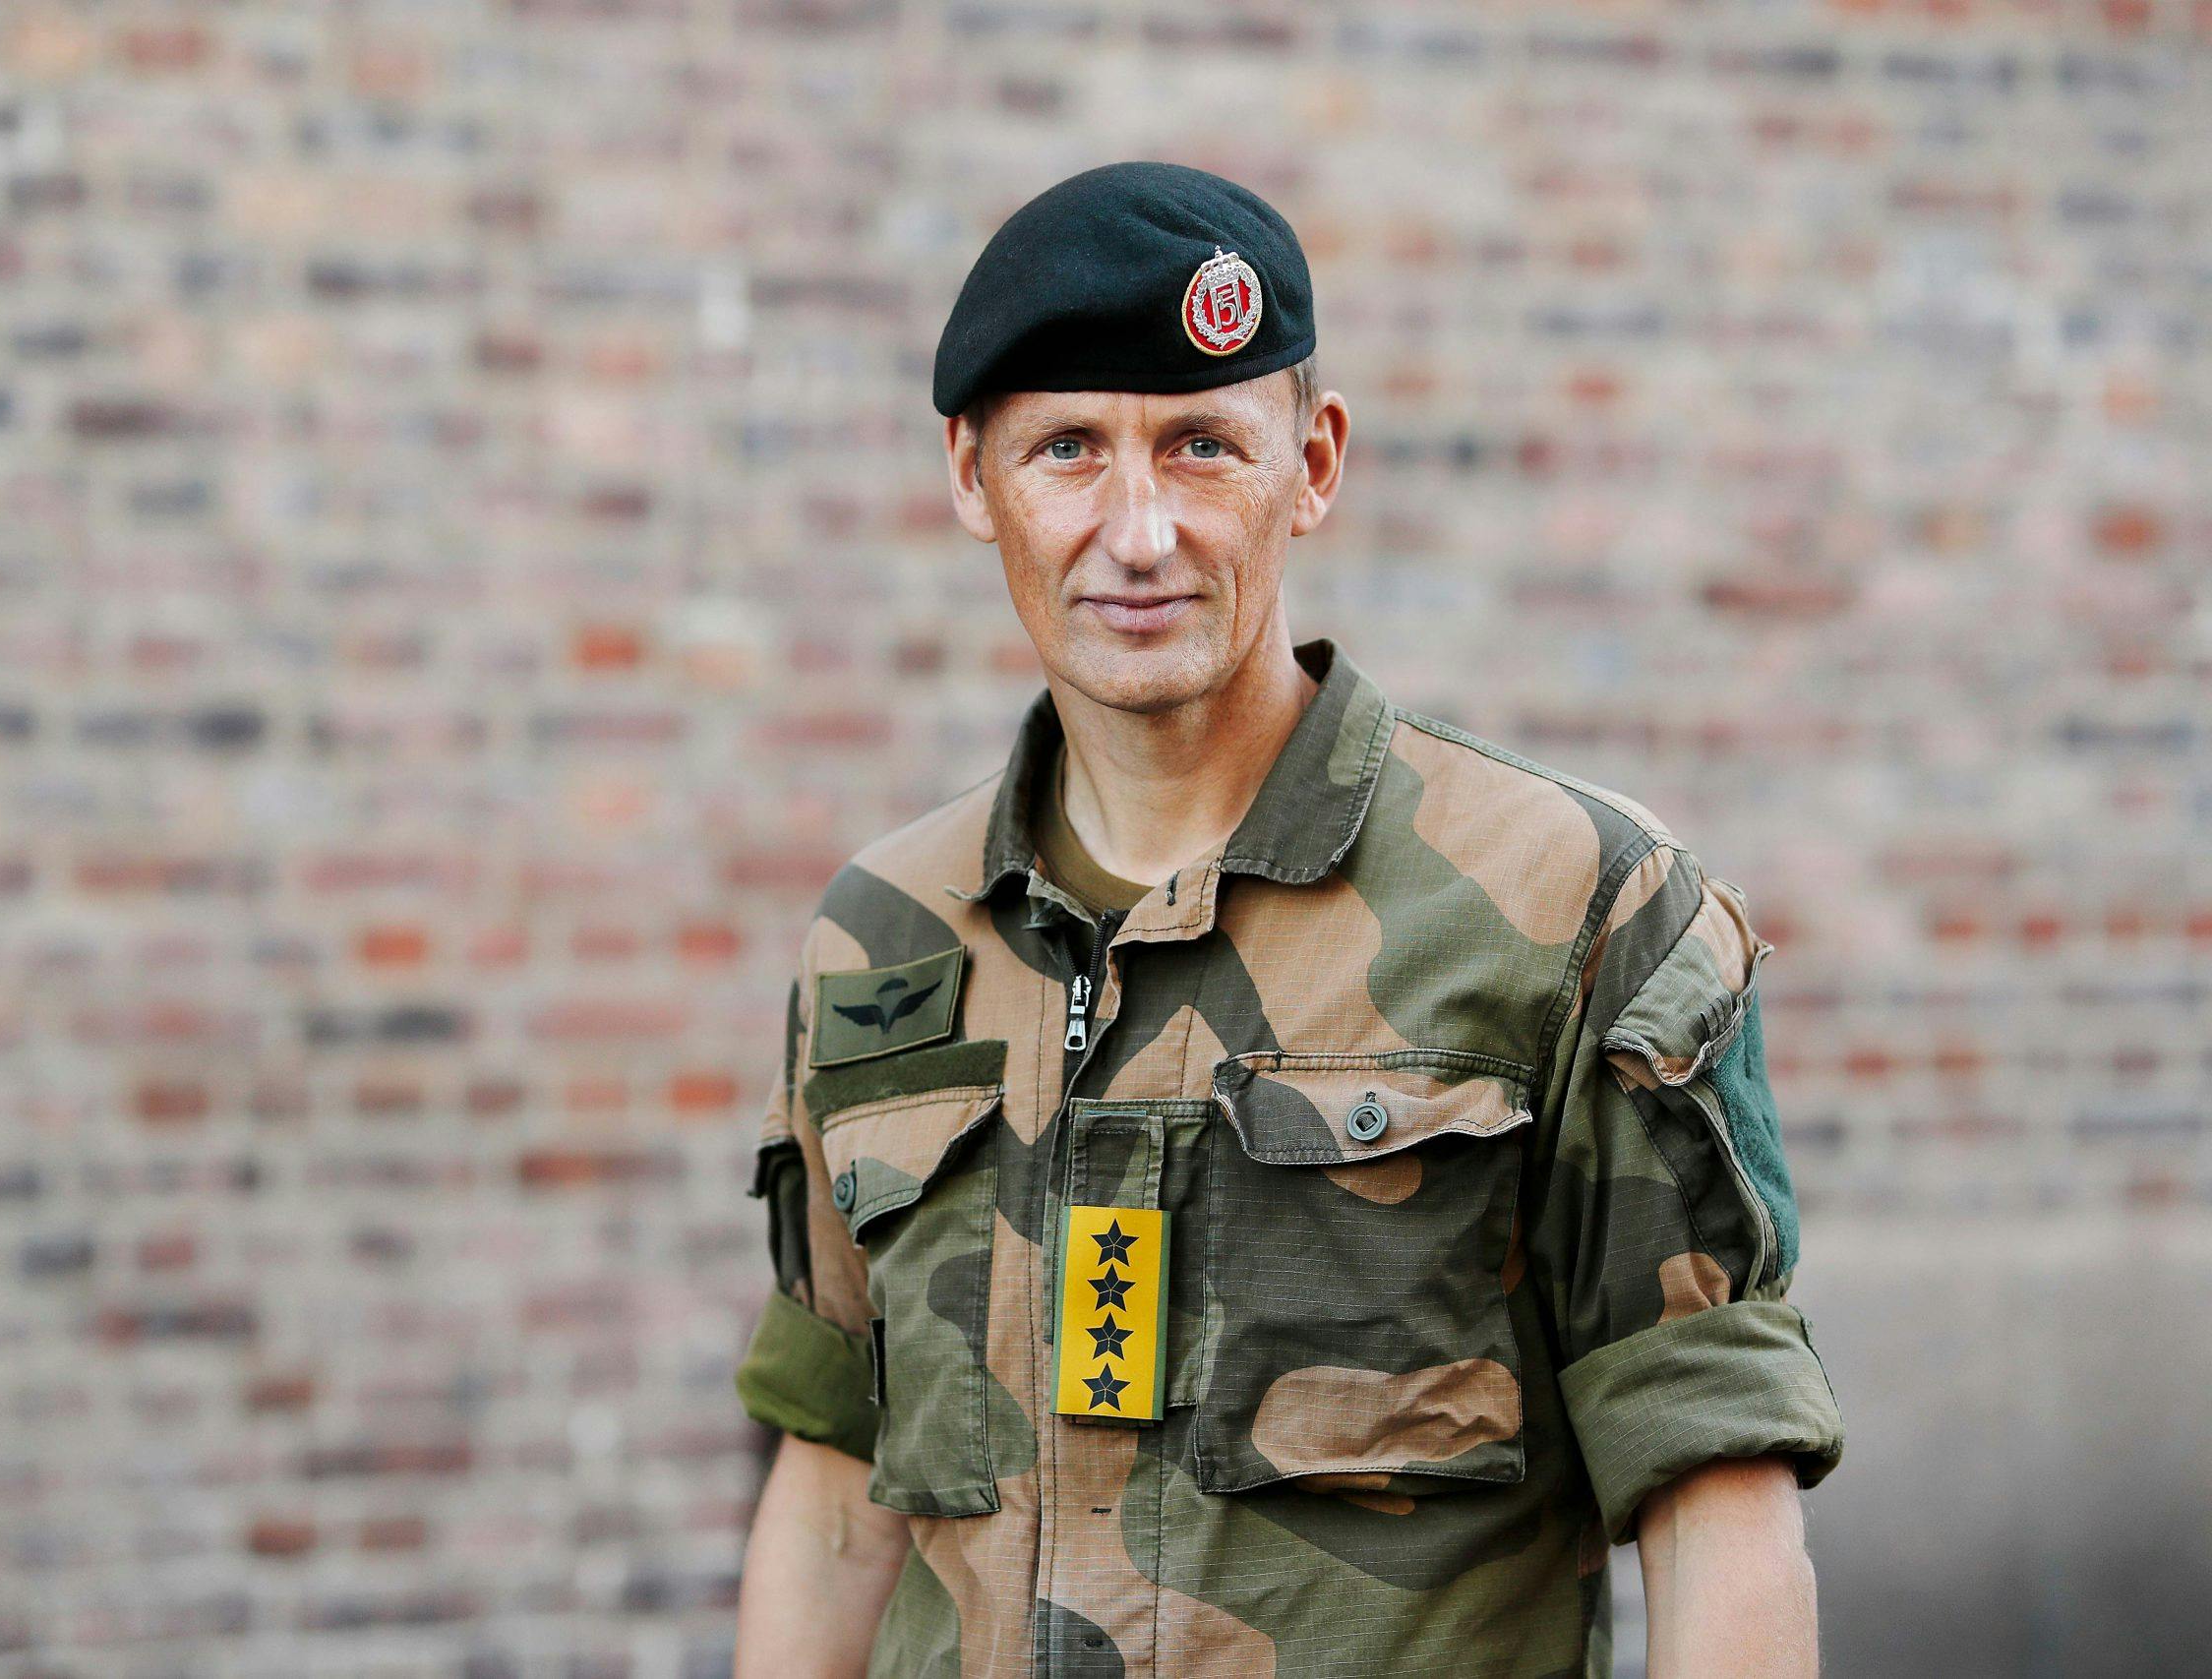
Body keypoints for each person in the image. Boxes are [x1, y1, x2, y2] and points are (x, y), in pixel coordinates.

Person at [730, 159, 1844, 1679]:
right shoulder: (882, 942)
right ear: (971, 479)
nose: (1138, 533)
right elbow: (835, 1498)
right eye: (1066, 450)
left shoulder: (1578, 908)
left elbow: (1720, 1508)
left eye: (1202, 447)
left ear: (1312, 466)